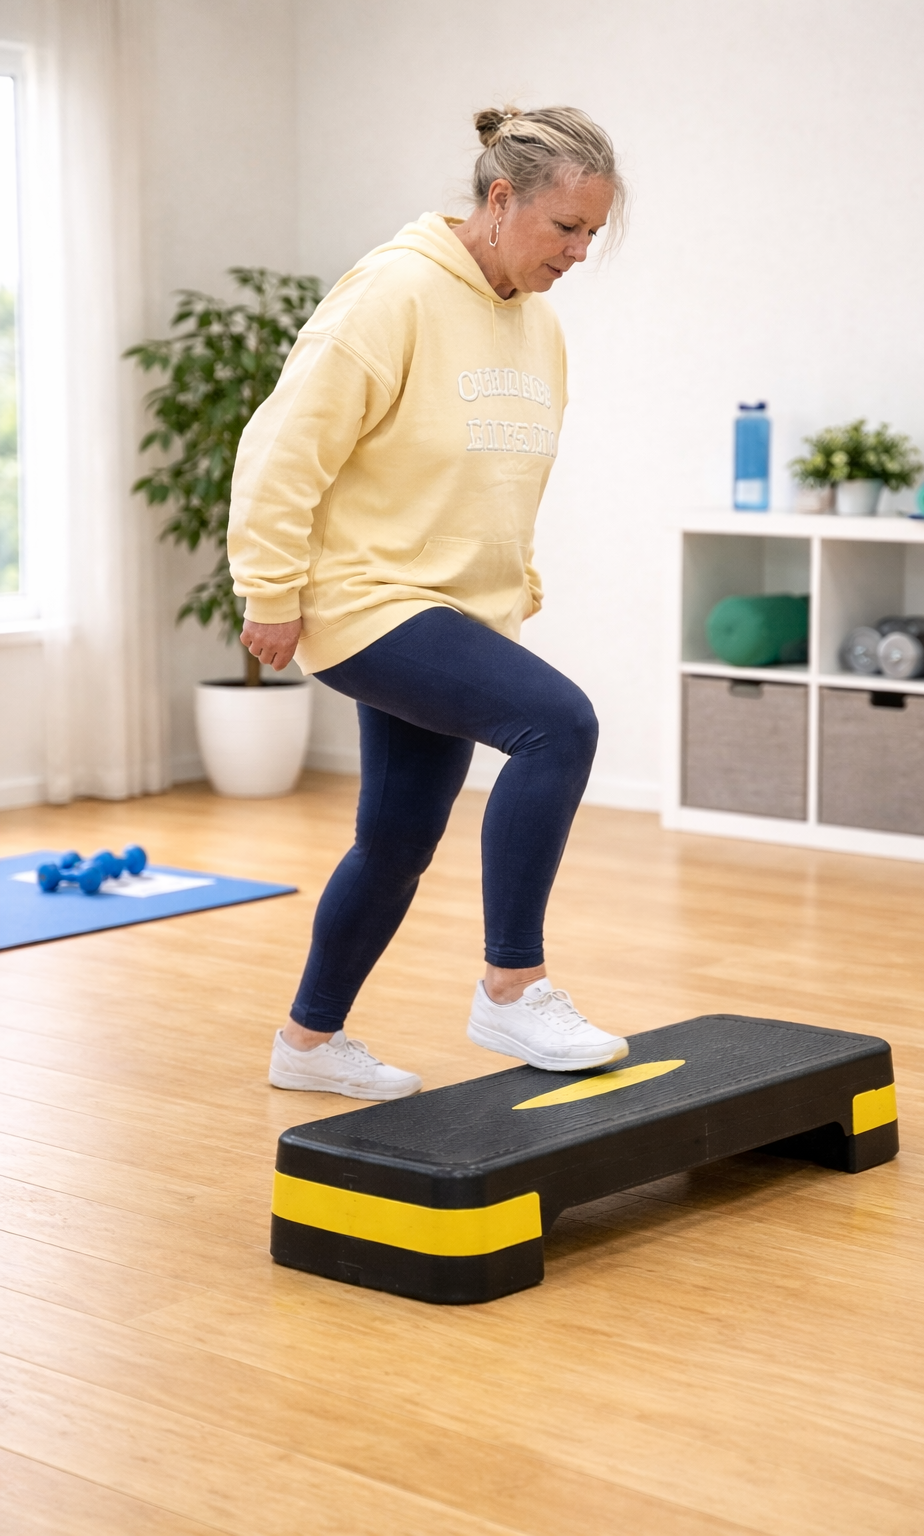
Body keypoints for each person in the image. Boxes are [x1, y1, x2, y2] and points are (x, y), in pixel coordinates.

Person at [228, 105, 628, 1101]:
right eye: (563, 229)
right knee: (557, 723)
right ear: (501, 202)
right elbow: (282, 449)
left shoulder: (536, 326)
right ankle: (512, 984)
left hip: (454, 608)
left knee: (398, 837)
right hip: (366, 597)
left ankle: (308, 1046)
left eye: (592, 234)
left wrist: (514, 585)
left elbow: (505, 472)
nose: (578, 253)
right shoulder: (393, 293)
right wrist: (270, 587)